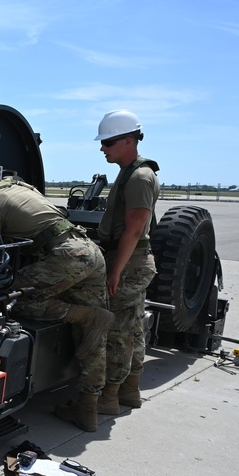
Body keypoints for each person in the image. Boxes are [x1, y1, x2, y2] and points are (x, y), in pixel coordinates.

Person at [0, 156, 113, 432]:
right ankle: (88, 407)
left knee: (14, 299)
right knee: (93, 336)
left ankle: (85, 315)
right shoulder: (21, 187)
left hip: (65, 257)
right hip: (89, 251)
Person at [93, 110, 159, 413]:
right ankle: (129, 391)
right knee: (131, 330)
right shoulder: (129, 172)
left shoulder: (140, 176)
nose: (103, 148)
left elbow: (134, 228)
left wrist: (115, 271)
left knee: (117, 333)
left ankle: (107, 398)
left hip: (129, 262)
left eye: (108, 142)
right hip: (130, 260)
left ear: (129, 140)